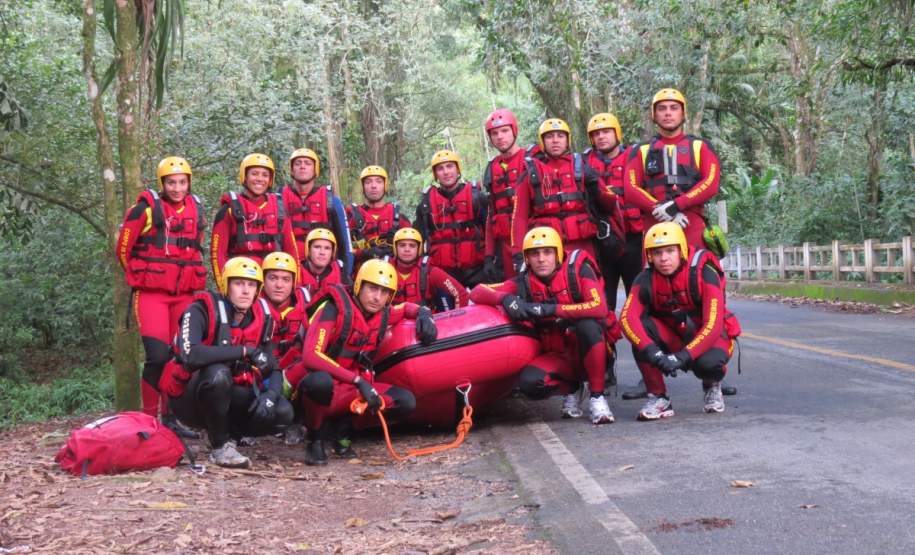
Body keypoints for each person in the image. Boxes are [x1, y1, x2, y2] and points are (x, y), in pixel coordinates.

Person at [283, 260, 437, 465]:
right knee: (319, 382)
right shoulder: (332, 308)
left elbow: (406, 308)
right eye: (372, 288)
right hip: (319, 385)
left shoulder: (382, 314)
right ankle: (315, 438)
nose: (377, 297)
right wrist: (357, 380)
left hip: (349, 388)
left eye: (384, 292)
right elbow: (311, 355)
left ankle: (343, 430)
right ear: (359, 286)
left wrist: (425, 314)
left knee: (405, 402)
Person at [470, 227, 619, 425]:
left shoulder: (579, 270)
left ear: (558, 254)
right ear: (527, 259)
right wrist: (505, 298)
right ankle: (572, 388)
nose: (541, 259)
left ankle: (597, 397)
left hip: (589, 349)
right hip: (557, 354)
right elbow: (478, 291)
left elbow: (599, 307)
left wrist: (551, 309)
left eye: (547, 252)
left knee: (588, 326)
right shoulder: (523, 281)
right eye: (535, 254)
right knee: (529, 384)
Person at [160, 257, 295, 468]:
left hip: (232, 394)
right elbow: (190, 355)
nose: (245, 291)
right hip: (190, 397)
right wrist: (244, 351)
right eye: (239, 283)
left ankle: (230, 436)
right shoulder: (199, 309)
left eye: (251, 285)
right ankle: (220, 446)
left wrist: (270, 396)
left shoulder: (263, 317)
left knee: (283, 412)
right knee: (219, 374)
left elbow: (273, 367)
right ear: (226, 285)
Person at [117, 156, 207, 425]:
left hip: (184, 295)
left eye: (182, 182)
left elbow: (195, 246)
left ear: (189, 183)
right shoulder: (144, 210)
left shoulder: (197, 209)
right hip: (152, 294)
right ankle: (147, 420)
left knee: (178, 356)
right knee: (157, 357)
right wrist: (141, 274)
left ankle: (170, 418)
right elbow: (123, 249)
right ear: (162, 183)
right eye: (171, 183)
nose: (177, 188)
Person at [620, 223, 741, 420]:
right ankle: (658, 397)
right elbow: (627, 318)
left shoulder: (705, 272)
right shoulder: (645, 278)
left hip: (709, 336)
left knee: (708, 364)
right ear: (649, 256)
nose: (664, 258)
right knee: (640, 332)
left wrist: (683, 357)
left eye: (670, 251)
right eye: (657, 252)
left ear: (681, 250)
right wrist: (653, 352)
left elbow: (713, 325)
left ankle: (712, 384)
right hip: (674, 335)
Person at [624, 88, 720, 252]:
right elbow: (630, 188)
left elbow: (711, 184)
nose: (668, 113)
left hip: (692, 224)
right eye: (662, 109)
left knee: (699, 266)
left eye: (674, 108)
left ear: (683, 113)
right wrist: (661, 209)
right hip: (655, 226)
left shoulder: (700, 146)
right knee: (653, 268)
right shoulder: (640, 151)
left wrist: (676, 205)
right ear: (654, 115)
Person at [516, 118, 601, 259]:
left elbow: (608, 203)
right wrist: (518, 254)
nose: (555, 140)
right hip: (546, 250)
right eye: (549, 136)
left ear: (567, 140)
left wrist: (596, 183)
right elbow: (519, 217)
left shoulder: (582, 167)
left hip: (582, 245)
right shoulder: (531, 173)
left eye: (560, 136)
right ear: (542, 141)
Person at [582, 112, 643, 309]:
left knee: (637, 296)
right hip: (601, 239)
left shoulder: (635, 158)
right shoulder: (583, 162)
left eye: (606, 131)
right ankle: (606, 330)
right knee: (604, 298)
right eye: (596, 133)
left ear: (617, 133)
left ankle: (637, 328)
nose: (601, 137)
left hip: (632, 239)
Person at [211, 153, 299, 286]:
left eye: (265, 175)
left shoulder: (279, 210)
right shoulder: (230, 210)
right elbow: (217, 255)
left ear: (270, 179)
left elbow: (292, 252)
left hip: (274, 282)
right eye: (254, 174)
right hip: (242, 281)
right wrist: (223, 287)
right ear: (244, 176)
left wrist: (295, 286)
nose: (260, 179)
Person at [481, 109, 549, 280]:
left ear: (514, 131)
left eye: (504, 130)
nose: (500, 137)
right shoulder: (491, 168)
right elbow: (491, 214)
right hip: (506, 246)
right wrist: (489, 255)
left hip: (536, 241)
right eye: (495, 133)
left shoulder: (533, 160)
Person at [414, 150, 488, 287]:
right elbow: (416, 239)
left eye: (450, 166)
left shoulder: (477, 198)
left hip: (477, 271)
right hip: (443, 275)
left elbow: (491, 232)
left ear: (458, 169)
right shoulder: (426, 204)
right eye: (440, 169)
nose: (446, 172)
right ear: (435, 174)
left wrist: (491, 262)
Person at [278, 148, 353, 274]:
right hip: (287, 270)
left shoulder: (332, 202)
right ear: (292, 170)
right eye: (297, 163)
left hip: (323, 271)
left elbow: (346, 246)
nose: (302, 166)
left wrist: (345, 275)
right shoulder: (278, 200)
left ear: (315, 169)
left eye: (307, 163)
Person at [390, 227, 468, 310]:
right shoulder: (385, 269)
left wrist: (457, 317)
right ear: (395, 247)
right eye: (402, 245)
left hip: (425, 317)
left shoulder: (430, 272)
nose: (407, 249)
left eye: (412, 246)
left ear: (419, 249)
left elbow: (461, 294)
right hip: (393, 317)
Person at [347, 165, 410, 265]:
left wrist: (394, 250)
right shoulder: (351, 215)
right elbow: (341, 250)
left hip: (391, 270)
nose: (373, 186)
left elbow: (412, 249)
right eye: (368, 182)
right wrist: (364, 253)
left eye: (379, 181)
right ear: (362, 187)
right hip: (362, 271)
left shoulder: (398, 217)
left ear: (385, 185)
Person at [299, 228, 351, 298]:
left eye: (327, 248)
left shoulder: (340, 271)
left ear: (332, 252)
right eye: (317, 247)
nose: (322, 252)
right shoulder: (297, 272)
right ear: (308, 249)